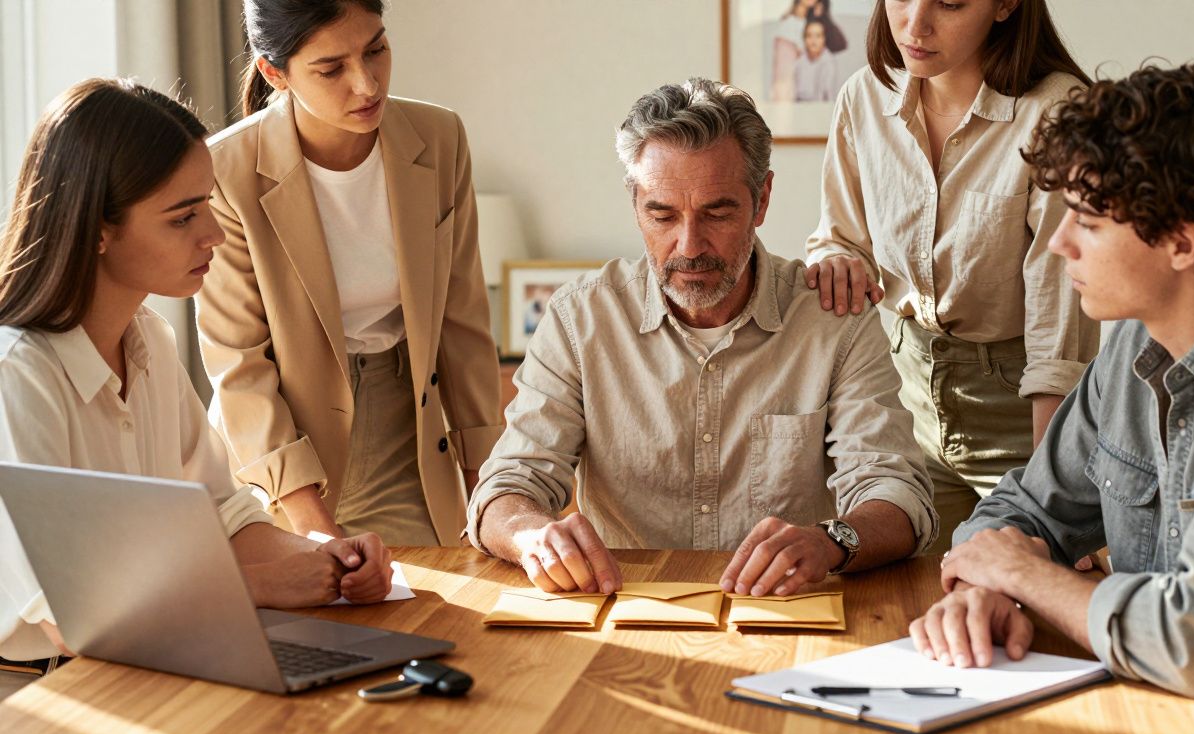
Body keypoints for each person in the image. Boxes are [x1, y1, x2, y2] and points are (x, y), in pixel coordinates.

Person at [912, 62, 1194, 734]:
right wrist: (984, 587)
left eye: (1089, 221)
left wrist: (1028, 579)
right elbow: (1025, 510)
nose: (1059, 242)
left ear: (1182, 243)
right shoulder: (1134, 341)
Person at [467, 78, 937, 598]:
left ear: (761, 200)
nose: (689, 246)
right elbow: (506, 487)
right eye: (662, 214)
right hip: (623, 609)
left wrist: (830, 542)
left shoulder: (834, 319)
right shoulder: (579, 320)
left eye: (717, 213)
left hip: (787, 612)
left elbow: (898, 495)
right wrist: (530, 535)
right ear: (635, 204)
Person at [0, 78, 393, 682]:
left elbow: (222, 515)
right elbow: (74, 619)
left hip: (150, 659)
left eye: (206, 204)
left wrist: (326, 555)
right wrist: (263, 585)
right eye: (183, 216)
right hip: (39, 687)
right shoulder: (16, 377)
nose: (213, 233)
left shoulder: (149, 340)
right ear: (97, 229)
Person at [197, 0, 503, 547]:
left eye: (376, 49)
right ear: (274, 72)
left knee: (437, 595)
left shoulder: (439, 137)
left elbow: (462, 319)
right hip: (277, 445)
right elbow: (239, 363)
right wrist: (316, 530)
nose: (367, 84)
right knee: (309, 599)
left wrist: (489, 489)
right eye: (331, 68)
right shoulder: (224, 172)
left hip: (407, 426)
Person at [804, 0, 1098, 553]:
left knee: (1011, 582)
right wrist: (837, 258)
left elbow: (1060, 323)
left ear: (1006, 5)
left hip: (1021, 409)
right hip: (902, 394)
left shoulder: (1056, 112)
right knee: (898, 591)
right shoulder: (864, 96)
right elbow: (838, 236)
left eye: (950, 3)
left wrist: (1048, 496)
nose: (915, 25)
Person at [795, 19, 842, 102]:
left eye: (818, 36)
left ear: (824, 39)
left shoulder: (829, 62)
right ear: (804, 39)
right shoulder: (799, 60)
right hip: (798, 106)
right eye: (809, 35)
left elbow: (827, 95)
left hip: (820, 106)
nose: (813, 40)